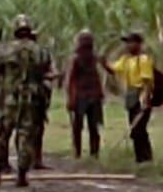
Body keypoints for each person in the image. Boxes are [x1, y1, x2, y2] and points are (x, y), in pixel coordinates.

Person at [0, 14, 54, 187]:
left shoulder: (4, 50)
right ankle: (22, 174)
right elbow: (46, 71)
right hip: (31, 98)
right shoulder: (40, 51)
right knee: (25, 135)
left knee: (3, 134)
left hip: (9, 98)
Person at [107, 31, 155, 163]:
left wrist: (146, 99)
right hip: (131, 95)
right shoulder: (126, 60)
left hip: (141, 95)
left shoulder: (143, 60)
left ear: (138, 44)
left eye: (131, 42)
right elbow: (112, 69)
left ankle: (146, 158)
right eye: (127, 43)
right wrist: (102, 62)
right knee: (134, 129)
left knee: (139, 129)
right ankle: (140, 158)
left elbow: (147, 82)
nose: (128, 45)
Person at [66, 29, 106, 159]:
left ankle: (94, 153)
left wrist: (100, 93)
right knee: (78, 126)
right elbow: (71, 79)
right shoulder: (76, 59)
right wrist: (71, 98)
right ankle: (77, 152)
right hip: (80, 96)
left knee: (93, 126)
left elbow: (96, 77)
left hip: (92, 95)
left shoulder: (94, 58)